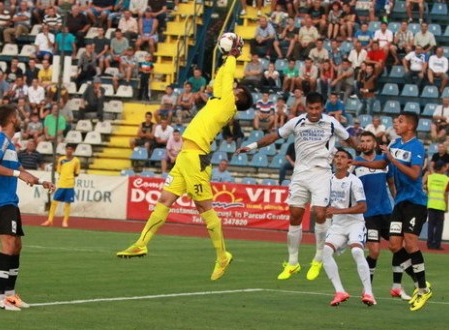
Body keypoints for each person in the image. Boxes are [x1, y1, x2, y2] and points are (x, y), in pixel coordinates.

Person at [116, 40, 253, 281]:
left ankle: (222, 256)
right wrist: (225, 58)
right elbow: (223, 77)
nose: (232, 87)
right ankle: (141, 243)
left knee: (204, 208)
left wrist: (232, 56)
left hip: (196, 158)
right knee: (165, 198)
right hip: (185, 157)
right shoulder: (220, 99)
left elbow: (229, 75)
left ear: (238, 98)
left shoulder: (229, 105)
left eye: (236, 89)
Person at [238, 92, 359, 281]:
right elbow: (273, 137)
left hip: (321, 173)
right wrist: (251, 147)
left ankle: (318, 258)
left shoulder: (331, 123)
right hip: (300, 174)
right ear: (305, 107)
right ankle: (293, 262)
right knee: (295, 215)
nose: (314, 112)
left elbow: (349, 140)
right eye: (310, 108)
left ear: (322, 108)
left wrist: (364, 150)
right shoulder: (296, 122)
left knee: (320, 212)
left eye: (317, 108)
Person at [350, 112, 432, 311]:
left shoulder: (416, 146)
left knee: (411, 243)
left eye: (400, 121)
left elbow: (414, 174)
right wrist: (360, 163)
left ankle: (422, 288)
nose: (396, 123)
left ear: (411, 126)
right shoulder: (395, 144)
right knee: (395, 245)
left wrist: (392, 158)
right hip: (400, 204)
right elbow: (382, 164)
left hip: (415, 202)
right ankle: (404, 284)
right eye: (395, 121)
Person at [0, 104, 55, 311]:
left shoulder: (11, 144)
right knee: (7, 245)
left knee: (16, 246)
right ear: (11, 119)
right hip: (0, 200)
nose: (20, 118)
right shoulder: (0, 140)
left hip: (10, 200)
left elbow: (19, 169)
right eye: (17, 115)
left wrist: (40, 180)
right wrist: (18, 175)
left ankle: (10, 295)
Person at [322, 148, 375, 306]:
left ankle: (368, 292)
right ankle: (340, 291)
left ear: (349, 162)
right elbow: (326, 205)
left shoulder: (354, 181)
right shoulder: (328, 180)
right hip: (338, 225)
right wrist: (321, 210)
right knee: (325, 252)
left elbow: (363, 207)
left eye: (343, 157)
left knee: (357, 251)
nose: (339, 159)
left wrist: (337, 210)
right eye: (337, 157)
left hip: (355, 223)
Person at [353, 132, 404, 295]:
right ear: (359, 144)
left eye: (369, 140)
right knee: (374, 251)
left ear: (375, 144)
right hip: (369, 215)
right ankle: (367, 289)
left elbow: (391, 184)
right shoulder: (355, 164)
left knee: (399, 247)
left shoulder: (384, 162)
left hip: (387, 212)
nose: (366, 143)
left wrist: (399, 203)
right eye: (362, 141)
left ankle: (397, 286)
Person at [42, 144, 81, 228]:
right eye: (67, 149)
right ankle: (50, 220)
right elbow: (59, 171)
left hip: (70, 184)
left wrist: (70, 176)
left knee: (67, 203)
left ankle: (65, 222)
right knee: (54, 202)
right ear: (66, 150)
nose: (69, 151)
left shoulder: (76, 161)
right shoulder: (61, 160)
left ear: (73, 150)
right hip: (61, 184)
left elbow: (77, 173)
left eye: (71, 149)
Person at [426, 161, 449, 250]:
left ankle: (429, 244)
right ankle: (437, 245)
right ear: (442, 168)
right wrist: (447, 207)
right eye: (445, 167)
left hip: (431, 204)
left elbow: (427, 189)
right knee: (439, 227)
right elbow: (446, 194)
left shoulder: (430, 177)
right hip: (440, 205)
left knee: (430, 225)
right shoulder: (446, 179)